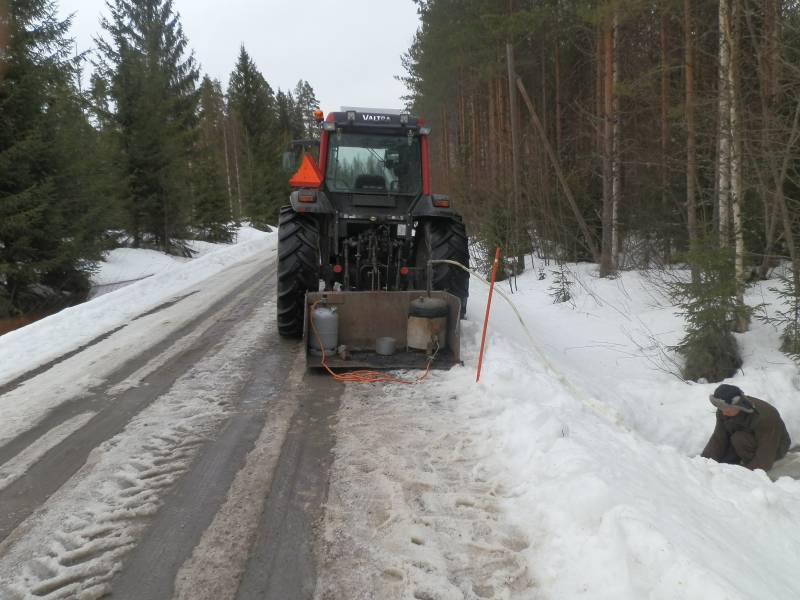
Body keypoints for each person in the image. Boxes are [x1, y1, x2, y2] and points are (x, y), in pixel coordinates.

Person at [702, 384, 791, 471]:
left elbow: (766, 452)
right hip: (746, 438)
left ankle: (748, 463)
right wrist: (703, 462)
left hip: (775, 446)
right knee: (722, 460)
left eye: (728, 410)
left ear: (739, 405)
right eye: (722, 409)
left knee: (739, 439)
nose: (724, 413)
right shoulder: (724, 410)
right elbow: (718, 438)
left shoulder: (766, 417)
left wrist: (745, 475)